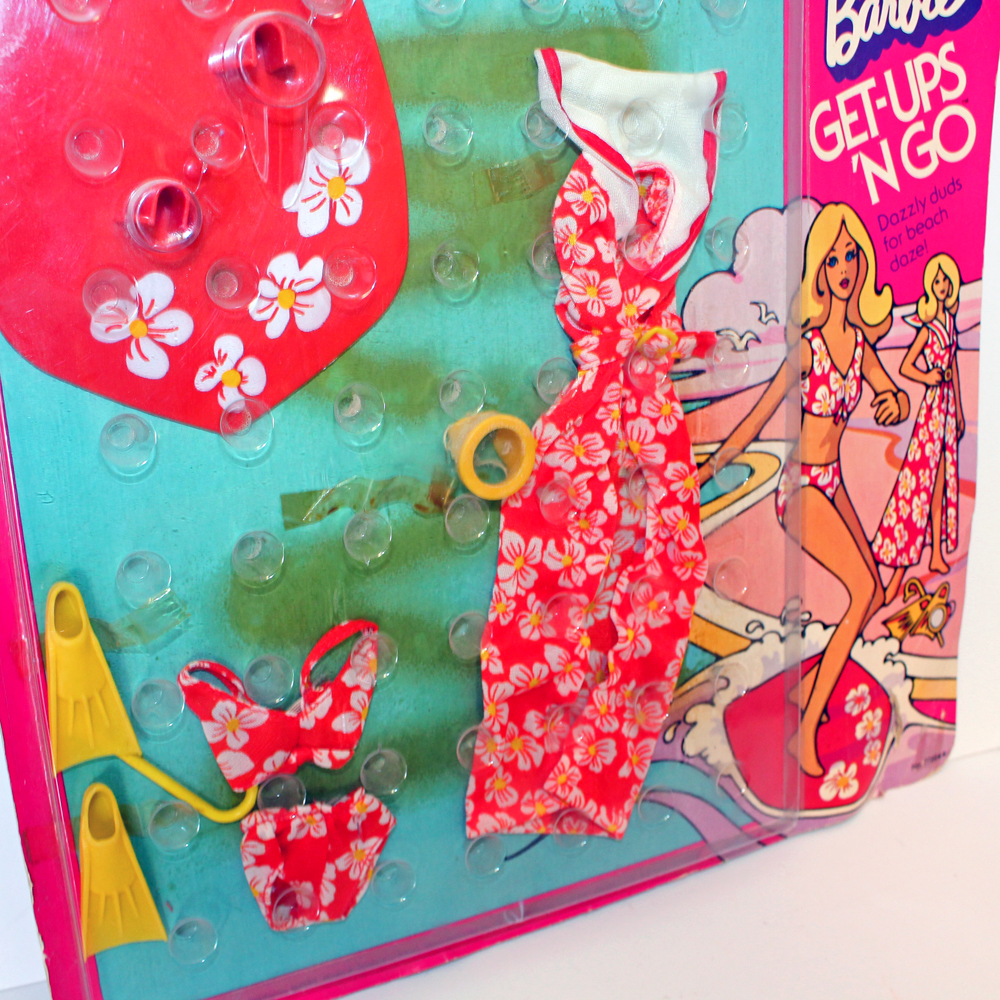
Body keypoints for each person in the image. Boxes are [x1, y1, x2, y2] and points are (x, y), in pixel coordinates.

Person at [700, 203, 909, 777]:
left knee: (875, 592)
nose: (842, 268)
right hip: (800, 486)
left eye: (851, 256)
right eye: (831, 259)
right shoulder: (809, 348)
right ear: (817, 271)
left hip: (832, 479)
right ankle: (804, 731)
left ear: (862, 265)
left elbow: (892, 395)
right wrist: (708, 468)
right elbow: (758, 417)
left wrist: (894, 402)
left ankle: (807, 686)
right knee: (861, 589)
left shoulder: (858, 346)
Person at [872, 254, 965, 604]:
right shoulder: (928, 329)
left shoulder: (950, 323)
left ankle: (936, 552)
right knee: (925, 480)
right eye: (937, 281)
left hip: (947, 405)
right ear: (930, 285)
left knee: (942, 479)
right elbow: (906, 365)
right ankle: (920, 549)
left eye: (946, 281)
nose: (941, 286)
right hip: (932, 409)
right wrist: (929, 377)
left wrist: (959, 410)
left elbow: (954, 367)